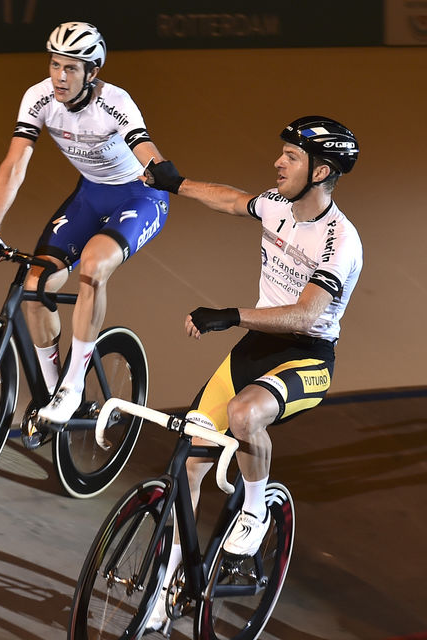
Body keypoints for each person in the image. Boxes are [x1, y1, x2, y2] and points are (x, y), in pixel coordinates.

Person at [142, 115, 362, 631]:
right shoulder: (280, 206)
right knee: (189, 465)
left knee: (244, 414)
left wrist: (231, 315)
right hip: (255, 349)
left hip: (306, 358)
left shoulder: (340, 240)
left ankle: (257, 511)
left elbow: (307, 314)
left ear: (322, 170)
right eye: (281, 152)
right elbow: (232, 198)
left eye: (291, 156)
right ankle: (164, 586)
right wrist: (177, 182)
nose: (278, 162)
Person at [0, 21, 173, 438]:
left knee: (93, 267)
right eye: (54, 64)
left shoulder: (115, 102)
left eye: (71, 68)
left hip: (139, 197)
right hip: (89, 197)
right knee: (34, 287)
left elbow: (144, 146)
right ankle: (53, 395)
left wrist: (162, 170)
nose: (59, 77)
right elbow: (15, 164)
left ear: (92, 72)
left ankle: (73, 382)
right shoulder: (39, 97)